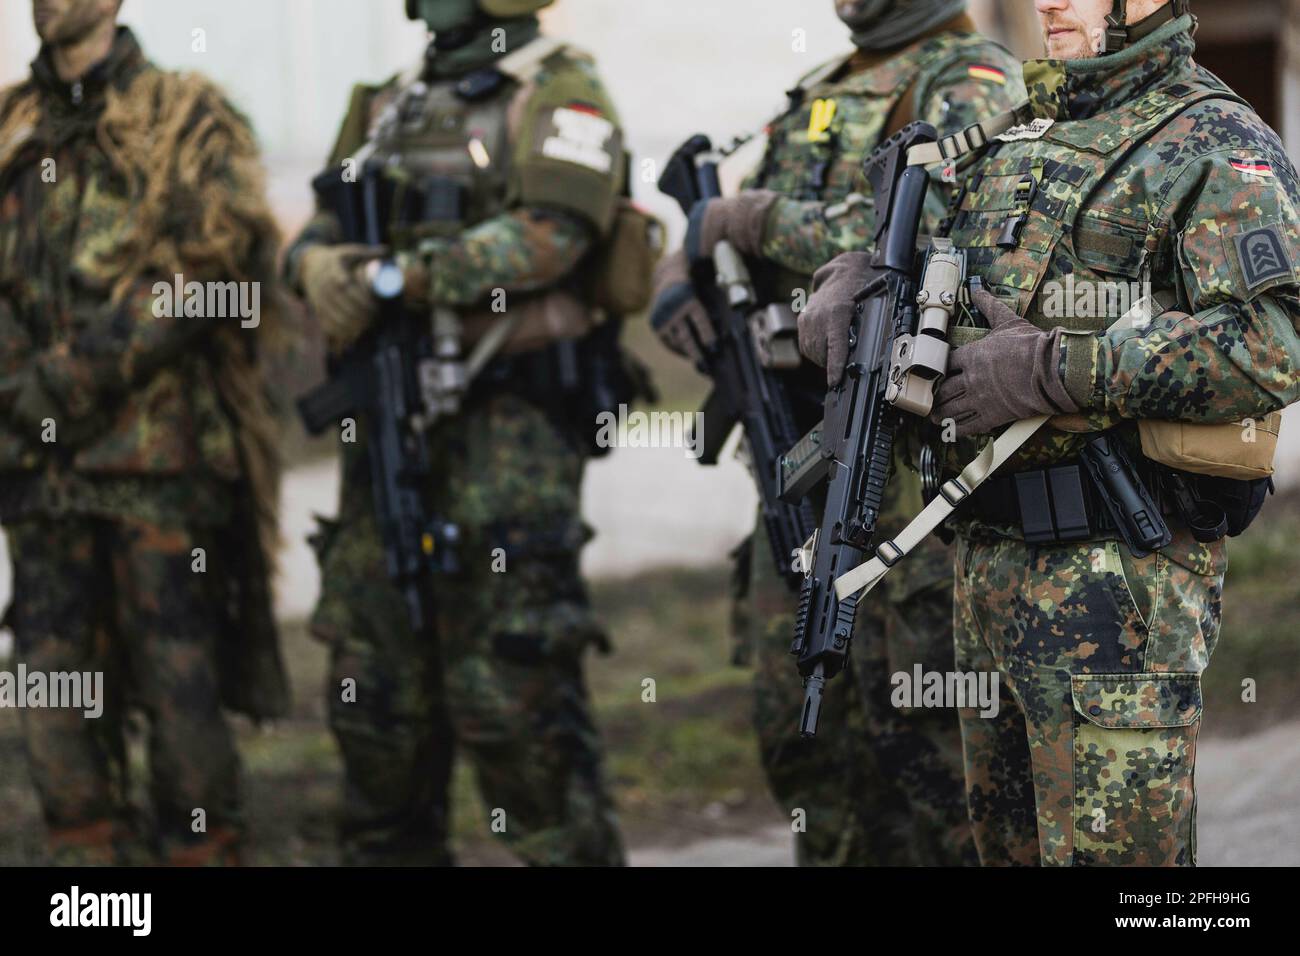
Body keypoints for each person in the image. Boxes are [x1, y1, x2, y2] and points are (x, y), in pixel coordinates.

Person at [798, 0, 1300, 865]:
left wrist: (1056, 370)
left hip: (1115, 585)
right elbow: (917, 260)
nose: (1049, 2)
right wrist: (849, 278)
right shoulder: (1009, 139)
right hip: (981, 564)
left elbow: (1272, 348)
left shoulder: (1217, 142)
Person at [650, 0, 1023, 865]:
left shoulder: (968, 75)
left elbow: (923, 230)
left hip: (902, 476)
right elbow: (719, 224)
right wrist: (684, 266)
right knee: (805, 740)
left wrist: (750, 219)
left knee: (927, 754)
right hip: (800, 446)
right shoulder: (824, 86)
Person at [286, 0, 653, 866]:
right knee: (376, 699)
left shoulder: (561, 85)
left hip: (508, 434)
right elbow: (324, 221)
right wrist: (307, 262)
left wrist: (398, 277)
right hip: (384, 424)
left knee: (512, 693)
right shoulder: (389, 101)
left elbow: (555, 235)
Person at [0, 0, 287, 865]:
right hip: (37, 464)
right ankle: (93, 889)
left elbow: (210, 267)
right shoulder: (13, 126)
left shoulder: (187, 114)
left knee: (179, 691)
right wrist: (19, 384)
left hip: (156, 463)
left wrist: (72, 378)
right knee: (52, 690)